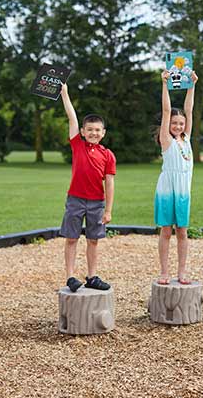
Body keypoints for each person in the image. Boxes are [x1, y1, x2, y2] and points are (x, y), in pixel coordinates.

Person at [59, 83, 116, 292]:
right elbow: (72, 117)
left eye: (97, 130)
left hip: (96, 203)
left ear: (103, 132)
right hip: (75, 199)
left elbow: (109, 182)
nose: (93, 132)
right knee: (72, 238)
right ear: (82, 132)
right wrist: (65, 93)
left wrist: (108, 209)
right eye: (89, 129)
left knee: (93, 241)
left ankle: (92, 276)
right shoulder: (78, 145)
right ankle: (70, 277)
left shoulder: (108, 154)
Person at [154, 69, 198, 285]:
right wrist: (164, 83)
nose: (178, 126)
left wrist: (192, 85)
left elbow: (189, 110)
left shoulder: (186, 138)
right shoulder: (166, 140)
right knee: (166, 231)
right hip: (167, 189)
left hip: (183, 190)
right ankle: (164, 271)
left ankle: (182, 272)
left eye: (180, 124)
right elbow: (166, 109)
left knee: (182, 232)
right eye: (174, 123)